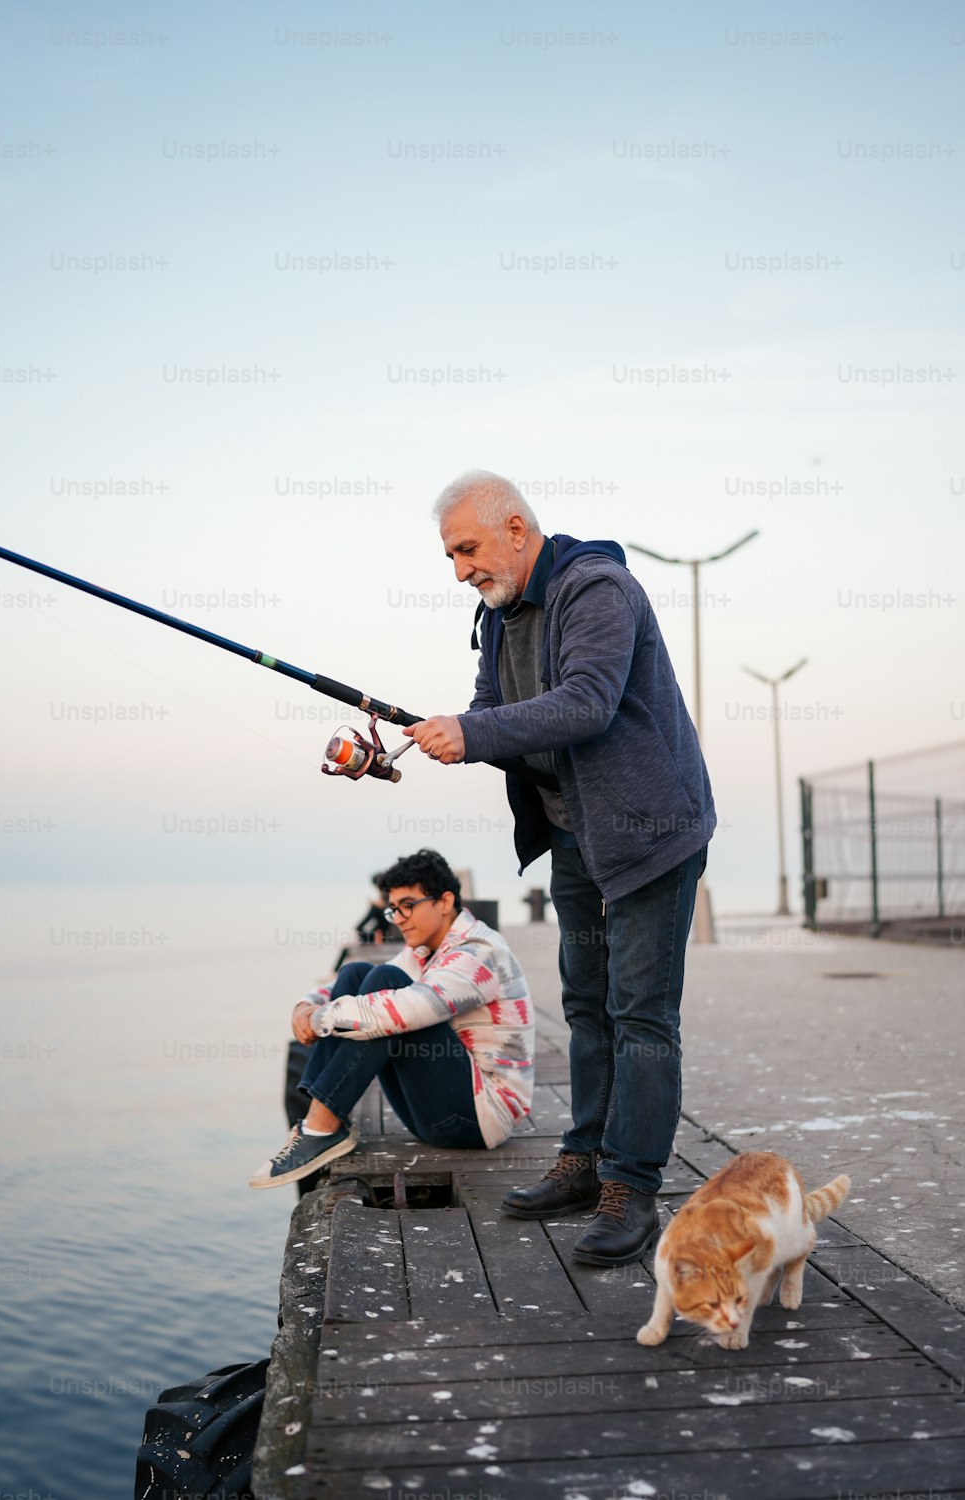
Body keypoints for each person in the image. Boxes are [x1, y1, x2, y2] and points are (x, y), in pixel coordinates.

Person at [403, 470, 716, 1266]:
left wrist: (469, 734)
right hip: (577, 836)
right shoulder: (499, 615)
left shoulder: (598, 588)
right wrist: (409, 740)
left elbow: (587, 703)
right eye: (450, 555)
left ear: (515, 529)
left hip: (651, 832)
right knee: (586, 1004)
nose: (460, 569)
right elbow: (491, 717)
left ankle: (631, 1187)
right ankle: (583, 1161)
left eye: (466, 549)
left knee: (641, 1013)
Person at [249, 848, 533, 1188]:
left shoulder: (479, 952)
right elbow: (355, 989)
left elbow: (404, 1009)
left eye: (408, 905)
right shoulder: (427, 950)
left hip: (480, 1119)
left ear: (444, 902)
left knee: (386, 990)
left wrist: (319, 1019)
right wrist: (305, 1006)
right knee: (356, 973)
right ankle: (320, 1125)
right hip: (436, 1115)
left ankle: (320, 1127)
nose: (397, 918)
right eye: (393, 908)